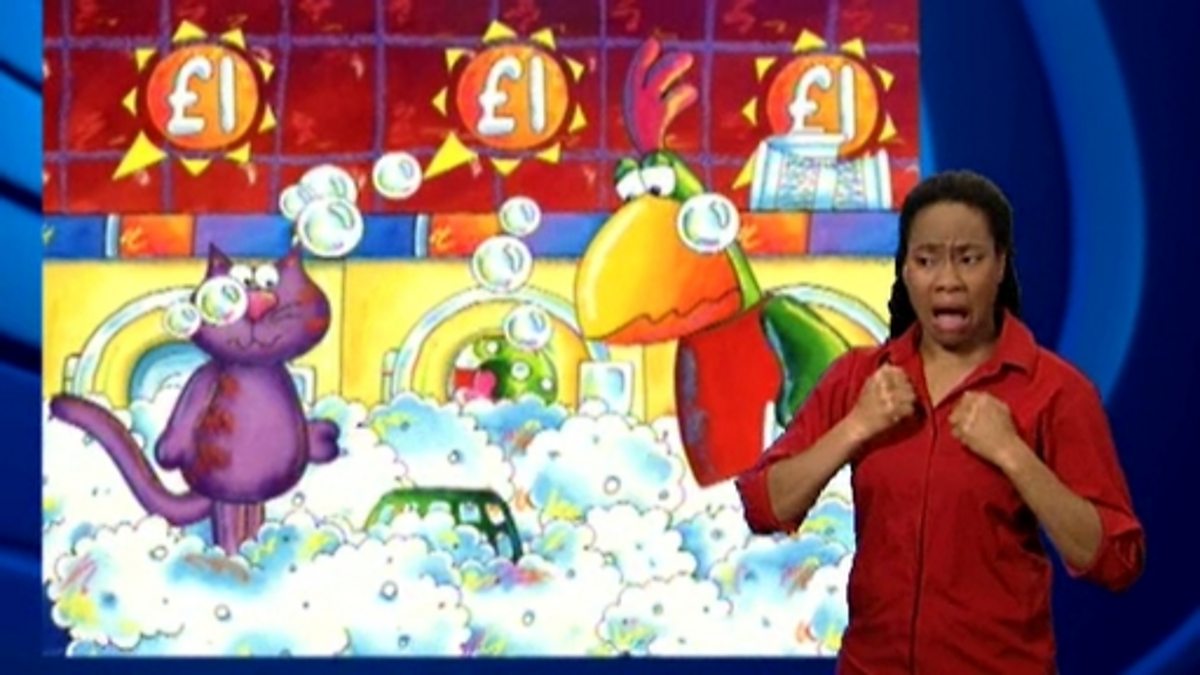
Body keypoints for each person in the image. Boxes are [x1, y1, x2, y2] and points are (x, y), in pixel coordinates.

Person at [736, 170, 1145, 674]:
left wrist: (1013, 455)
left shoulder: (1057, 391)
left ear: (1000, 265)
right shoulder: (858, 378)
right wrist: (856, 426)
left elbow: (1116, 560)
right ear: (906, 270)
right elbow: (764, 506)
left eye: (968, 259)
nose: (947, 280)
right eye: (926, 260)